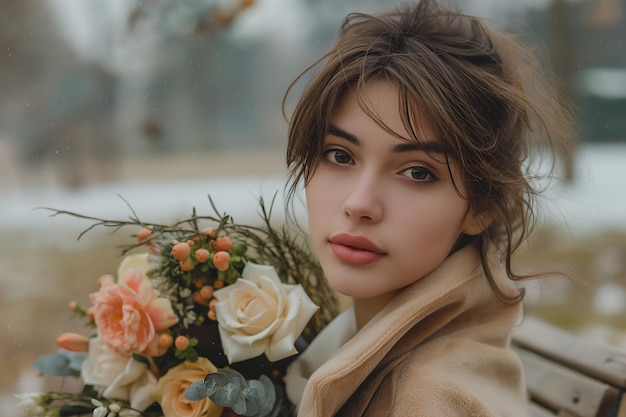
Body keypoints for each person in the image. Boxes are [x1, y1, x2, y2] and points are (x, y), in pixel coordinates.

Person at [281, 0, 575, 416]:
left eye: (417, 172)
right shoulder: (375, 351)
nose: (360, 204)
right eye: (339, 155)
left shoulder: (423, 399)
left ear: (483, 204)